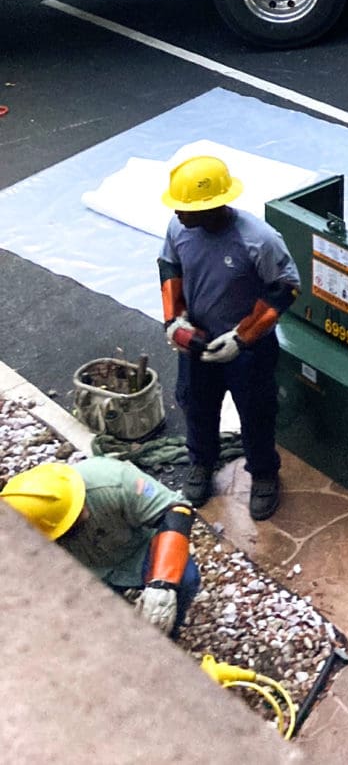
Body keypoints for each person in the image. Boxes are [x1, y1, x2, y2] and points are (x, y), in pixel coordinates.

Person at [159, 154, 300, 521]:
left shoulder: (259, 240)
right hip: (198, 340)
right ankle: (201, 463)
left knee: (256, 410)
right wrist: (175, 320)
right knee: (196, 404)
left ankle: (264, 473)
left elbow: (285, 288)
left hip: (247, 349)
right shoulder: (179, 230)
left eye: (186, 208)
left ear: (212, 207)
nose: (177, 214)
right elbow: (170, 266)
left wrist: (241, 338)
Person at [1, 457, 199, 635]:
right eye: (73, 518)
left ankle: (165, 633)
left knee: (185, 578)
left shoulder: (114, 480)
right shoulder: (16, 533)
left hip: (137, 552)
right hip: (82, 572)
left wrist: (162, 583)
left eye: (79, 504)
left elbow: (178, 512)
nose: (85, 512)